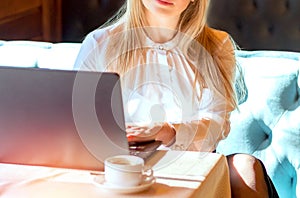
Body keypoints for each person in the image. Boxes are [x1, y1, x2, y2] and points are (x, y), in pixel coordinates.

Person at [74, 0, 279, 197]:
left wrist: (168, 131)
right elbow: (77, 124)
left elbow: (216, 125)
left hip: (193, 167)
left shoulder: (217, 46)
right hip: (121, 170)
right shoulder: (100, 43)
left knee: (245, 166)